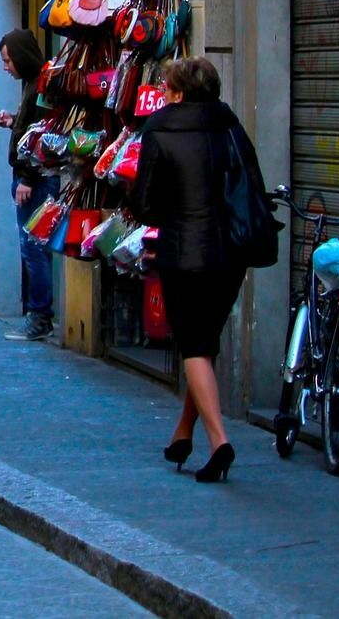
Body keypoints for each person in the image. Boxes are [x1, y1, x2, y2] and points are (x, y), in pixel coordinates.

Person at [130, 56, 262, 484]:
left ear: (180, 93)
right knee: (203, 345)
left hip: (184, 253)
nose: (164, 94)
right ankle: (182, 434)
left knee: (193, 346)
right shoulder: (231, 127)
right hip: (230, 255)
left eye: (168, 87)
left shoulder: (160, 130)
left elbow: (146, 204)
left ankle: (219, 441)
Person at [0, 27, 54, 341]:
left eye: (7, 61)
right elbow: (33, 125)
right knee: (33, 247)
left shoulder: (41, 84)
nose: (5, 67)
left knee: (33, 247)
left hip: (35, 180)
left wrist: (27, 177)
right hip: (31, 177)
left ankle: (39, 316)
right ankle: (39, 315)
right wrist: (14, 121)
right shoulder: (33, 84)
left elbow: (42, 135)